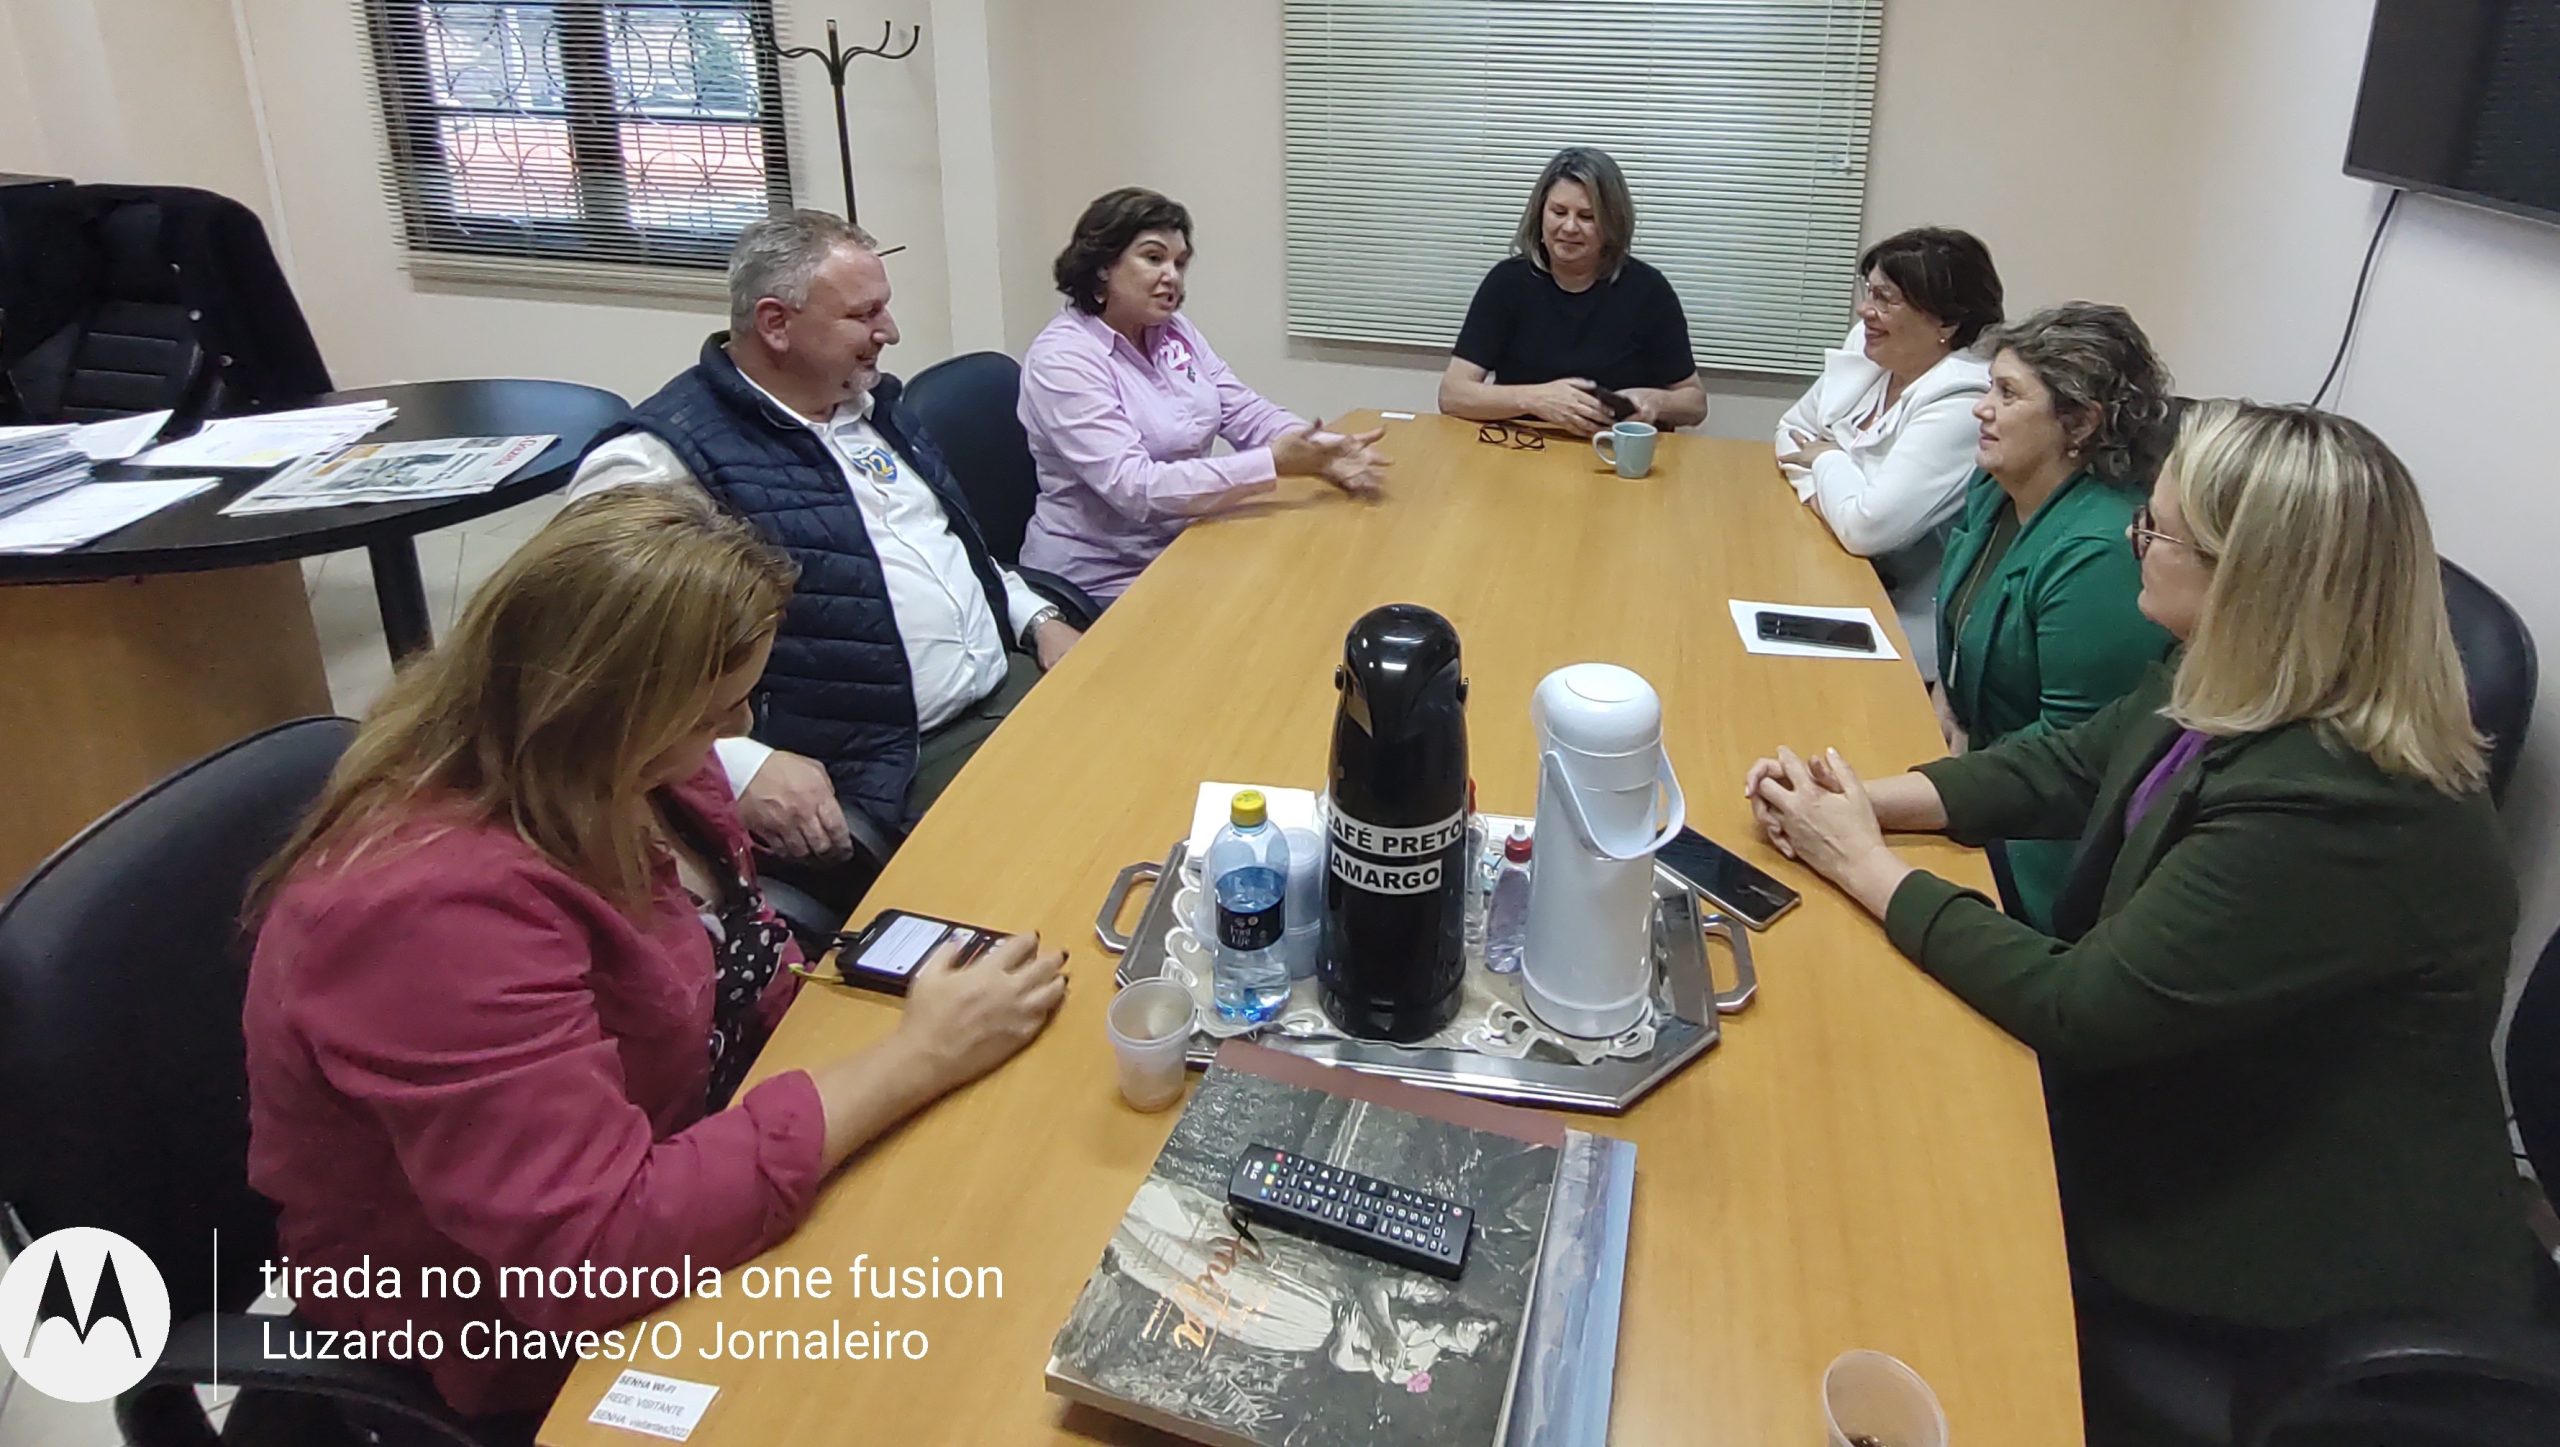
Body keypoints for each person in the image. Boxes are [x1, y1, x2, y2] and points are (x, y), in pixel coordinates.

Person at [1746, 402, 2537, 1446]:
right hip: (2193, 1101)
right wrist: (1858, 800)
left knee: (1878, 1209)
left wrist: (1861, 864)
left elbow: (2079, 1007)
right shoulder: (2238, 673)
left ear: (2253, 578)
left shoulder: (2339, 801)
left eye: (2157, 530)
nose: (2134, 540)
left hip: (2284, 1243)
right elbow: (2075, 764)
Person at [245, 486, 1067, 1437]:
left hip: (683, 1159)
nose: (738, 728)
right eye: (712, 711)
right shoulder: (426, 917)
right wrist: (912, 1060)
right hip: (516, 1329)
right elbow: (591, 1254)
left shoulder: (627, 768)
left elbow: (732, 956)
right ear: (600, 707)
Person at [570, 210, 1082, 912]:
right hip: (889, 762)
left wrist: (1036, 617)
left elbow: (949, 546)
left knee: (1177, 757)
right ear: (776, 324)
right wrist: (739, 766)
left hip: (1008, 681)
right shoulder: (657, 464)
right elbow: (590, 682)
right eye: (864, 314)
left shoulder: (866, 408)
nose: (890, 332)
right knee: (1089, 862)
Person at [1019, 187, 1389, 604]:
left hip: (1185, 541)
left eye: (1180, 263)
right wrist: (1274, 463)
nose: (1172, 276)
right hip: (1101, 577)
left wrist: (1322, 448)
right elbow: (1137, 489)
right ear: (1103, 266)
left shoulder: (1173, 331)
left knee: (1316, 574)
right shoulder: (1063, 360)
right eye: (1154, 258)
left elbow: (1244, 411)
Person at [1933, 302, 2176, 925]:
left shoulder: (2102, 551)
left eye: (2008, 393)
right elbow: (1959, 621)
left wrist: (1954, 769)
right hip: (1972, 766)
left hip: (2034, 846)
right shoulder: (1996, 488)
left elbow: (2073, 752)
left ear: (2081, 422)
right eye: (1990, 386)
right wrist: (1946, 707)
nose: (1981, 408)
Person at [1774, 227, 2005, 680]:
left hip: (1899, 621)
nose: (1865, 310)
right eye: (1869, 291)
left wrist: (1825, 460)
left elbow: (1866, 529)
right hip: (1831, 569)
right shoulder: (1872, 352)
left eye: (1885, 299)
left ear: (1946, 323)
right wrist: (1831, 496)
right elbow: (1789, 434)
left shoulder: (1963, 397)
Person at [1437, 147, 1708, 435]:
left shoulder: (1649, 290)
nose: (1569, 227)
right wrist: (1535, 398)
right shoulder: (1507, 282)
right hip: (1527, 446)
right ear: (1540, 213)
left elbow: (1695, 404)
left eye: (1587, 217)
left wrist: (1656, 401)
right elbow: (1452, 394)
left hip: (1615, 449)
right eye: (1558, 212)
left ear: (1612, 223)